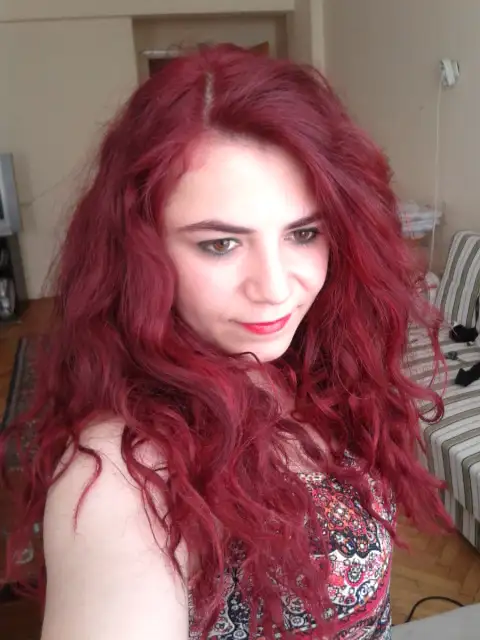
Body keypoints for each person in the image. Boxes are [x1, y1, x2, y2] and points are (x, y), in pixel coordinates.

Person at [1, 44, 451, 640]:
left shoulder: (305, 366)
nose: (275, 288)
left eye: (304, 233)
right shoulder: (122, 480)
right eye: (220, 244)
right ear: (141, 253)